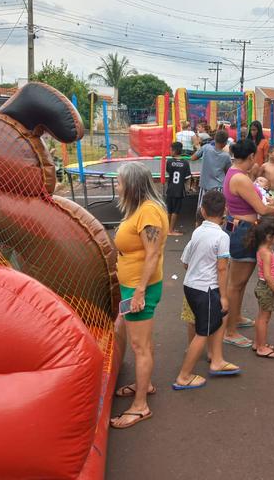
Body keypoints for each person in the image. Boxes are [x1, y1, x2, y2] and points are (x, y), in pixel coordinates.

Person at [111, 162, 169, 429]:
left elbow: (153, 253)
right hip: (133, 285)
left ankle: (140, 406)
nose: (117, 185)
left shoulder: (148, 212)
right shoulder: (141, 209)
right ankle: (142, 384)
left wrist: (139, 291)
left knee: (140, 346)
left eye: (120, 182)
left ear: (132, 185)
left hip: (139, 287)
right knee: (142, 343)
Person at [173, 191, 241, 390]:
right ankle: (184, 376)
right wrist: (225, 296)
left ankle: (217, 359)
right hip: (206, 289)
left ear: (202, 211)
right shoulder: (221, 237)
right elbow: (222, 268)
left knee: (219, 319)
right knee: (203, 331)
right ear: (225, 211)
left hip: (191, 285)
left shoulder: (197, 232)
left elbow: (186, 262)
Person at [223, 139, 274, 348]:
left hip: (243, 228)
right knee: (235, 284)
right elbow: (263, 210)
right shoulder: (240, 178)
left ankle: (235, 318)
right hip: (244, 231)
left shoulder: (236, 173)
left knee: (240, 281)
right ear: (250, 157)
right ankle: (229, 330)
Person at [247, 216, 274, 359]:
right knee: (264, 318)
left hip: (263, 287)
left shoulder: (263, 248)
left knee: (261, 316)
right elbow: (268, 276)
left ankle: (258, 343)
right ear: (269, 237)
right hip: (268, 288)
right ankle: (262, 348)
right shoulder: (266, 253)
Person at [190, 129, 232, 212]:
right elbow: (228, 172)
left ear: (215, 139)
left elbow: (193, 158)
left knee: (202, 211)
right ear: (225, 143)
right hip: (218, 187)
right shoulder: (226, 156)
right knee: (216, 212)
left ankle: (199, 224)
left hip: (205, 186)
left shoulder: (206, 148)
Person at [165, 141, 191, 236]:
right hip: (179, 190)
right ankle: (170, 230)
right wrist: (188, 188)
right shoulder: (185, 163)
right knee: (176, 211)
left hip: (170, 189)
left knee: (169, 209)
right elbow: (187, 178)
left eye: (171, 150)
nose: (170, 151)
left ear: (175, 151)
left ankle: (167, 229)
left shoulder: (170, 162)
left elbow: (168, 173)